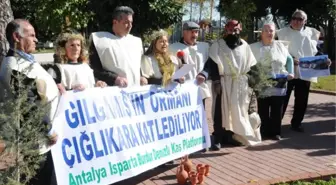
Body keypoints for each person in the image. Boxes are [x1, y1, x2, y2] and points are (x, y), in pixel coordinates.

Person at [0, 19, 59, 185]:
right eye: (31, 35)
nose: (36, 39)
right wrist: (48, 131)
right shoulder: (14, 67)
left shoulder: (25, 61)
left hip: (40, 141)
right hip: (34, 143)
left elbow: (39, 85)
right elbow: (30, 106)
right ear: (16, 37)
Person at [198, 20, 261, 150]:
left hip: (240, 84)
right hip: (223, 83)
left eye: (236, 29)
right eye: (230, 28)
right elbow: (212, 64)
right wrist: (216, 81)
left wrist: (253, 81)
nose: (233, 31)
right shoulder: (218, 45)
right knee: (220, 112)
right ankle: (218, 138)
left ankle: (231, 136)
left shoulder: (245, 46)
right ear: (226, 29)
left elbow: (252, 66)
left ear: (240, 29)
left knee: (237, 111)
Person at [277, 9, 332, 132]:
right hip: (288, 70)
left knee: (302, 99)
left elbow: (316, 51)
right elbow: (277, 51)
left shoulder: (312, 33)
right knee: (282, 98)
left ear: (305, 21)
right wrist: (290, 59)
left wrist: (325, 60)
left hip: (306, 71)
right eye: (294, 18)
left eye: (300, 19)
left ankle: (296, 123)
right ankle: (275, 123)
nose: (296, 21)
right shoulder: (281, 33)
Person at [250, 22, 294, 140]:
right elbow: (248, 64)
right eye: (266, 30)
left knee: (277, 108)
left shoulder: (281, 46)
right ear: (261, 33)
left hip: (279, 82)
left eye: (271, 31)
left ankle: (276, 132)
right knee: (263, 108)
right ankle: (264, 131)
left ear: (275, 33)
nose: (269, 33)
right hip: (262, 83)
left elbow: (289, 60)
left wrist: (291, 72)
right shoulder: (253, 47)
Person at [89, 6, 144, 87]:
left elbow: (139, 67)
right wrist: (114, 78)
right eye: (126, 22)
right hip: (112, 92)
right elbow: (94, 69)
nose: (130, 26)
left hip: (134, 92)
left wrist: (142, 77)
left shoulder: (136, 41)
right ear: (115, 22)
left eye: (131, 22)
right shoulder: (99, 40)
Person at [169, 21, 210, 106]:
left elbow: (209, 64)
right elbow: (170, 70)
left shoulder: (204, 47)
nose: (195, 35)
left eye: (197, 32)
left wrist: (204, 74)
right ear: (184, 32)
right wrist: (177, 77)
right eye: (192, 32)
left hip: (200, 90)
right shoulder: (173, 48)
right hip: (183, 91)